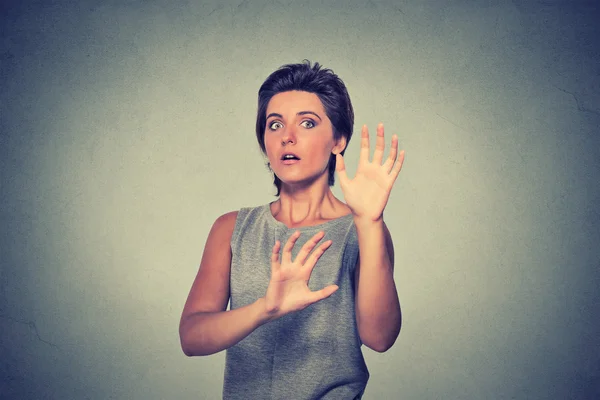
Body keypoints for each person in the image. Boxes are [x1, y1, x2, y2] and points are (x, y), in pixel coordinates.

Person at [179, 60, 405, 400]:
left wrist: (370, 222)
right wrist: (264, 309)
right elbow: (192, 337)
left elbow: (380, 338)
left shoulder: (362, 230)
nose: (288, 137)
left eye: (308, 123)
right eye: (274, 125)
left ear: (338, 140)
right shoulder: (231, 229)